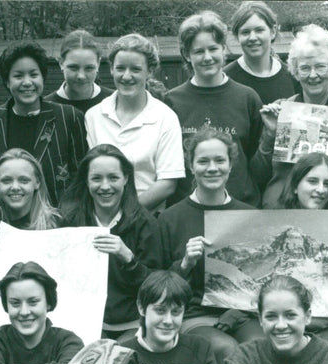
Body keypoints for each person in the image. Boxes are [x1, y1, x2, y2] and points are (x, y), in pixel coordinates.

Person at [220, 153, 328, 361]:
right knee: (263, 348)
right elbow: (255, 278)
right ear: (295, 185)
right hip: (282, 317)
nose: (321, 190)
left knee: (327, 352)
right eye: (312, 181)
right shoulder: (272, 228)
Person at [158, 128, 250, 364]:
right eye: (203, 161)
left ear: (231, 165)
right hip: (194, 316)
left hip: (244, 315)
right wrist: (185, 264)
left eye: (220, 160)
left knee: (261, 345)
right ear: (191, 166)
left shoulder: (248, 215)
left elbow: (261, 282)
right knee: (225, 349)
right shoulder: (170, 219)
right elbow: (158, 285)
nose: (212, 168)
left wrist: (241, 313)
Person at [61, 144, 161, 339]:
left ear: (126, 179)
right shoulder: (71, 221)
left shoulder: (145, 223)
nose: (105, 186)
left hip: (131, 323)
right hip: (82, 320)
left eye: (113, 178)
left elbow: (157, 286)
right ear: (86, 181)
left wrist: (129, 259)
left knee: (116, 357)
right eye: (96, 178)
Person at [165, 11, 263, 207]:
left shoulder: (247, 98)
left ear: (224, 50)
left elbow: (256, 160)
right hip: (190, 208)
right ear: (186, 54)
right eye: (199, 51)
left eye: (213, 49)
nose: (207, 57)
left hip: (240, 209)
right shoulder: (172, 101)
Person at [251, 24, 328, 209]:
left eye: (321, 67)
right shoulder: (282, 111)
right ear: (296, 72)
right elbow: (258, 175)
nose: (313, 75)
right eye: (305, 68)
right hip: (281, 207)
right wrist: (270, 135)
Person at [84, 33, 185, 213]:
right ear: (112, 69)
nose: (127, 76)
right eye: (120, 68)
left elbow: (168, 183)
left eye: (136, 69)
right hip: (100, 218)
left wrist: (126, 213)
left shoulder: (165, 118)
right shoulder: (94, 116)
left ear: (149, 71)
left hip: (148, 220)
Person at [0, 41, 88, 207]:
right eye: (18, 76)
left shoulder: (68, 117)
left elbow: (81, 176)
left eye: (33, 75)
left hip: (58, 221)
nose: (27, 82)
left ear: (43, 77)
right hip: (4, 222)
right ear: (7, 81)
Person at [222, 1, 300, 106]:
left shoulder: (293, 77)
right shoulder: (225, 78)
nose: (252, 37)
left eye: (259, 30)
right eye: (245, 32)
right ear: (237, 36)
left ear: (273, 32)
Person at [0, 148, 61, 231]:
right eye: (6, 181)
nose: (15, 187)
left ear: (37, 183)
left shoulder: (57, 223)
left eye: (24, 180)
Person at [44, 30, 114, 114]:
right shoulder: (45, 107)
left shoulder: (115, 102)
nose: (81, 76)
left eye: (89, 68)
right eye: (74, 67)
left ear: (98, 64)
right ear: (61, 63)